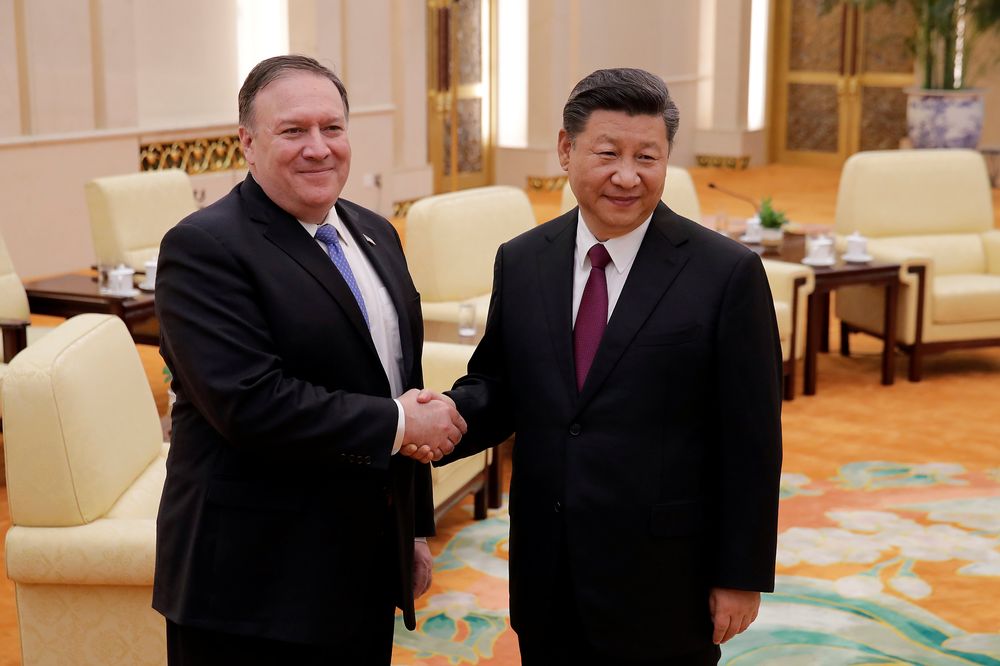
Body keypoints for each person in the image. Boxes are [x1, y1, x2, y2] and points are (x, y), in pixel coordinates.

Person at [425, 68, 783, 665]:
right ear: (566, 150)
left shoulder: (726, 275)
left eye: (648, 157)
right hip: (549, 573)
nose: (627, 176)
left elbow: (751, 440)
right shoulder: (522, 262)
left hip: (666, 579)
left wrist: (740, 574)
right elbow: (500, 386)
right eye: (608, 153)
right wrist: (441, 418)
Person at [153, 55, 466, 665]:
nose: (318, 148)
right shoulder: (203, 248)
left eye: (333, 128)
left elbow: (404, 380)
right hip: (252, 586)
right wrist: (401, 426)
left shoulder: (376, 231)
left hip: (360, 569)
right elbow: (249, 403)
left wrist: (412, 531)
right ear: (247, 142)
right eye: (293, 131)